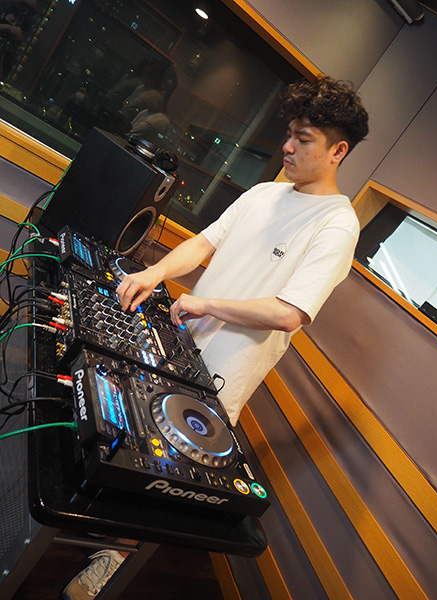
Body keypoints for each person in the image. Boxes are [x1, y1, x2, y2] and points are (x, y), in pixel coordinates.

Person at [61, 75, 369, 600]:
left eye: (304, 139)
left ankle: (114, 557)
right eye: (289, 134)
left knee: (165, 468)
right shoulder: (265, 193)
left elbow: (289, 313)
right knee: (131, 436)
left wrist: (204, 303)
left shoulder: (337, 226)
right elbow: (203, 244)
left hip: (224, 372)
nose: (288, 147)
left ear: (338, 151)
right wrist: (155, 273)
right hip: (180, 341)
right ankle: (95, 515)